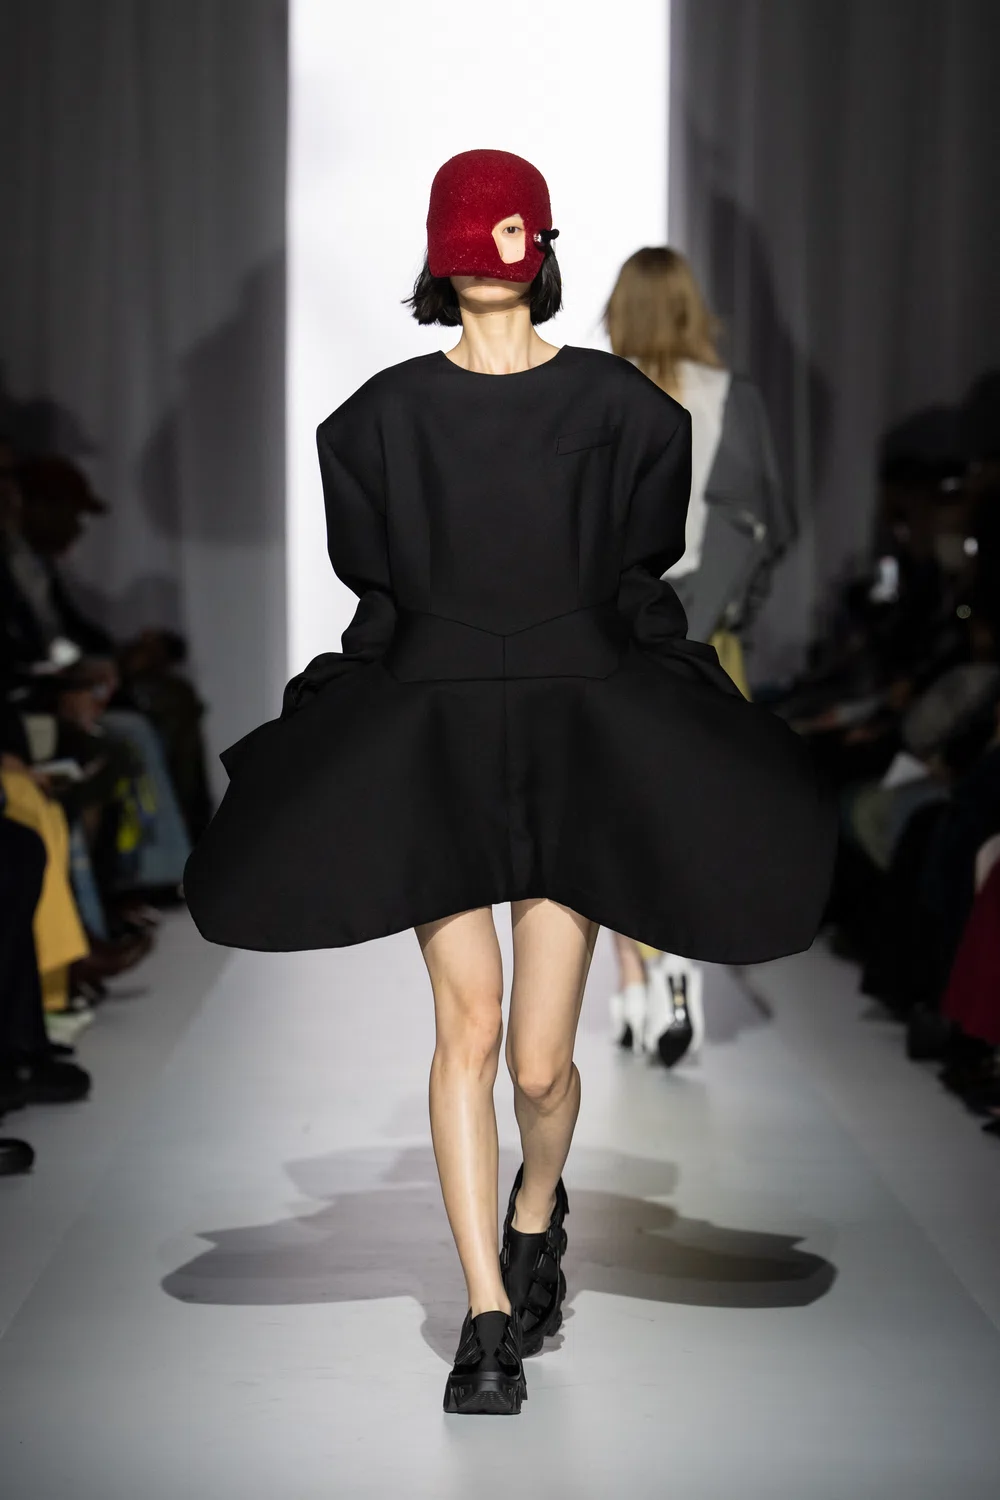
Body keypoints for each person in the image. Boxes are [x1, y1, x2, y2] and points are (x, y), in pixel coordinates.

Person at [185, 150, 836, 1416]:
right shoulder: (377, 421)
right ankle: (484, 1314)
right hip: (435, 736)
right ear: (443, 257)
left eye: (508, 233)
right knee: (468, 1032)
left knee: (539, 1066)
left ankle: (536, 1210)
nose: (491, 254)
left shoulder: (622, 411)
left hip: (574, 735)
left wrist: (698, 716)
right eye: (471, 235)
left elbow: (636, 586)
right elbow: (382, 596)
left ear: (537, 251)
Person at [603, 246, 794, 1064]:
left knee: (613, 812)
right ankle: (669, 962)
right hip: (708, 639)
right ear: (692, 307)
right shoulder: (733, 399)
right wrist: (732, 612)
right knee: (689, 812)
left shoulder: (597, 397)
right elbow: (767, 528)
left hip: (616, 635)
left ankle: (635, 982)